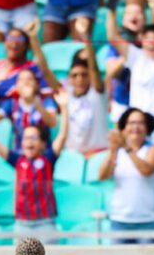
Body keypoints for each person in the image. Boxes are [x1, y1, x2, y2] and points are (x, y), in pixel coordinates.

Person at [106, 0, 154, 189]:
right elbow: (113, 37)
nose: (151, 42)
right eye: (146, 38)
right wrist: (111, 9)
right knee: (140, 178)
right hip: (140, 129)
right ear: (140, 40)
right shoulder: (136, 57)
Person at [0, 88, 70, 239]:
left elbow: (62, 136)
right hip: (22, 224)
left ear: (42, 143)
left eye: (34, 138)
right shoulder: (18, 160)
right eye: (26, 137)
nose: (29, 141)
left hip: (45, 223)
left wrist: (65, 108)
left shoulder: (48, 159)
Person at [36, 17, 108, 156]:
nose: (79, 79)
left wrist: (86, 36)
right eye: (74, 75)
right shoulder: (65, 92)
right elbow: (44, 71)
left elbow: (93, 67)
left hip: (99, 154)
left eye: (83, 75)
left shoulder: (97, 92)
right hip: (72, 156)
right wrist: (33, 38)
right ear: (69, 77)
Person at [98, 108, 154, 244]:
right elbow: (103, 175)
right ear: (123, 128)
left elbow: (146, 170)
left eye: (140, 123)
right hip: (120, 220)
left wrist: (127, 148)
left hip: (148, 220)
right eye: (131, 123)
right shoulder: (118, 151)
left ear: (147, 128)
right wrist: (113, 150)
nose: (135, 127)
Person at [0, 68, 60, 150]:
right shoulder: (11, 104)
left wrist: (36, 103)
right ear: (16, 86)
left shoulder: (46, 101)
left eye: (29, 79)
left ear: (37, 85)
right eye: (21, 80)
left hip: (43, 155)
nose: (25, 82)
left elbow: (52, 122)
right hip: (19, 155)